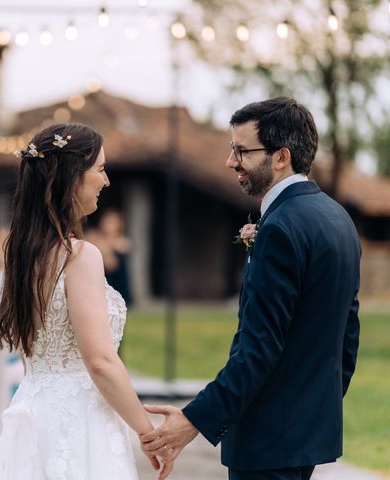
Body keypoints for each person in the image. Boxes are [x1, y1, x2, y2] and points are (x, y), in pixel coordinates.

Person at [141, 97, 361, 480]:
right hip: (304, 433)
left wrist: (193, 420)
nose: (231, 162)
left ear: (281, 157)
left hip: (267, 439)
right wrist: (312, 406)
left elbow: (258, 349)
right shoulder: (337, 217)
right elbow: (348, 334)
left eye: (242, 151)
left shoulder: (278, 228)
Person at [0, 123, 171, 479]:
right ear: (72, 177)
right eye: (100, 169)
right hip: (79, 420)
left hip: (32, 410)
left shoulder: (23, 255)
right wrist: (148, 433)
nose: (107, 181)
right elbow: (100, 361)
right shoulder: (80, 256)